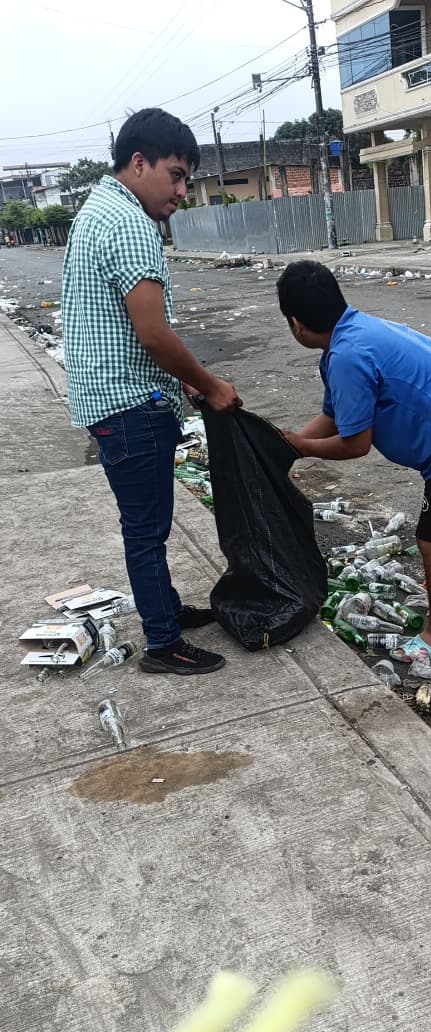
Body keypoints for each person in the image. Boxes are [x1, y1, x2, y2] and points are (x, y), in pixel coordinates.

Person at [62, 107, 241, 675]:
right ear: (139, 163)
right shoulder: (130, 224)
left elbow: (120, 326)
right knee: (145, 531)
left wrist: (179, 376)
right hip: (129, 406)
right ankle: (164, 643)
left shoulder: (97, 209)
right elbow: (154, 333)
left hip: (108, 399)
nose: (182, 191)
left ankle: (165, 608)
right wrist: (210, 384)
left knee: (146, 525)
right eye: (176, 175)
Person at [276, 260, 431, 659]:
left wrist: (302, 447)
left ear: (296, 323)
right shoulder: (352, 334)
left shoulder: (347, 355)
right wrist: (288, 446)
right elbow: (334, 416)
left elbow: (355, 444)